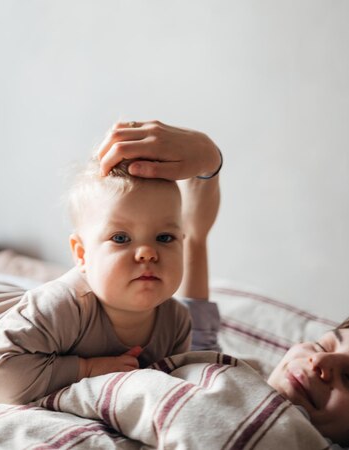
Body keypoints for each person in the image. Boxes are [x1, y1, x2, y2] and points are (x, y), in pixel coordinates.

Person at [97, 119, 349, 448]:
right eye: (324, 345)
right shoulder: (227, 373)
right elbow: (195, 240)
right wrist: (208, 163)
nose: (319, 363)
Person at [0, 154, 205, 405]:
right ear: (82, 254)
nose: (147, 252)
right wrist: (87, 369)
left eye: (164, 237)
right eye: (120, 238)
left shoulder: (176, 321)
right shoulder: (63, 306)